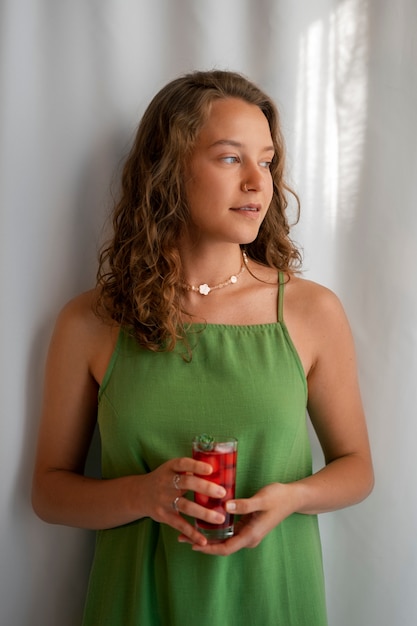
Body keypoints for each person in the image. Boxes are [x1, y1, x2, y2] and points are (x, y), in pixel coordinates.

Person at [32, 70, 374, 625]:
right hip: (138, 606)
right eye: (229, 158)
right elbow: (49, 493)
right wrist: (143, 496)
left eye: (265, 161)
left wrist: (291, 497)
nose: (258, 184)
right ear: (168, 170)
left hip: (272, 599)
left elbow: (357, 469)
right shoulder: (90, 321)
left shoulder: (313, 311)